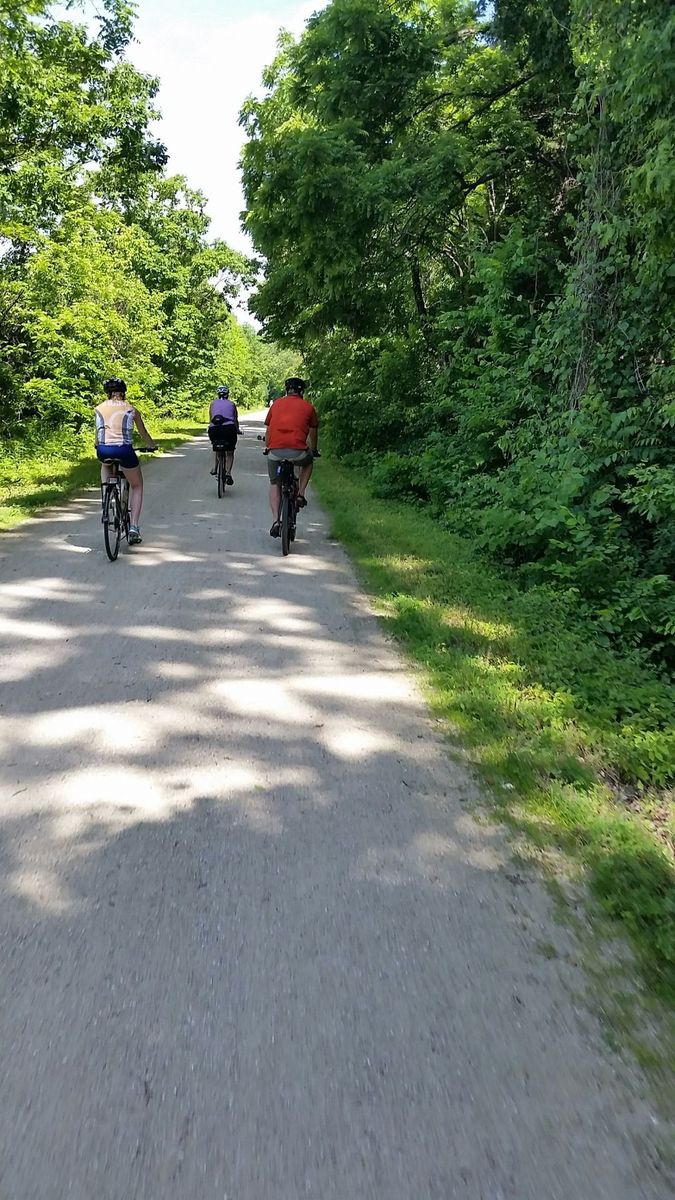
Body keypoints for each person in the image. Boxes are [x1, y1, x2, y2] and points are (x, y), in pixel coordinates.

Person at [95, 378, 156, 545]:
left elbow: (98, 433)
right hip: (124, 449)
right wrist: (152, 445)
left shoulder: (99, 408)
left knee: (105, 463)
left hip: (104, 450)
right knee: (137, 485)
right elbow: (143, 433)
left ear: (108, 393)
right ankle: (134, 527)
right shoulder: (131, 409)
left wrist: (98, 445)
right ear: (123, 393)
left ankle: (107, 499)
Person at [264, 377, 319, 537]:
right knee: (308, 462)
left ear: (286, 390)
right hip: (298, 452)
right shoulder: (308, 407)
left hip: (275, 452)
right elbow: (313, 431)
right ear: (301, 391)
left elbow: (268, 430)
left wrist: (268, 447)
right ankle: (300, 493)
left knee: (275, 484)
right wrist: (314, 449)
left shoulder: (276, 405)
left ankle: (275, 521)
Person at [208, 385, 240, 484]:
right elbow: (235, 420)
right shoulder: (232, 404)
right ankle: (228, 473)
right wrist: (237, 430)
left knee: (216, 446)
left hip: (214, 429)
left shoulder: (213, 404)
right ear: (227, 394)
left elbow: (211, 418)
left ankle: (215, 467)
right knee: (230, 452)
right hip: (229, 429)